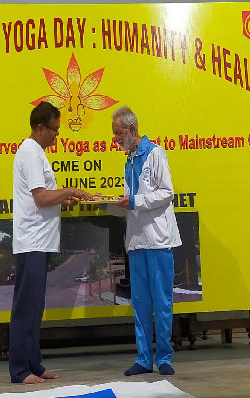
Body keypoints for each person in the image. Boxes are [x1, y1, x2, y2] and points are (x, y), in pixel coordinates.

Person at [9, 101, 93, 384]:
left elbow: (45, 197)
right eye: (54, 130)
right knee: (26, 308)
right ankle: (19, 369)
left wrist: (63, 200)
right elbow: (41, 197)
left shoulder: (38, 152)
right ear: (40, 127)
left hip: (41, 241)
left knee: (35, 308)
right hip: (32, 242)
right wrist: (69, 190)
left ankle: (34, 362)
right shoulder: (30, 152)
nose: (57, 135)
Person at [107, 106, 182, 376]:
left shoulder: (155, 153)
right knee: (140, 304)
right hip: (136, 241)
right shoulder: (128, 161)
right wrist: (108, 204)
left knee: (162, 303)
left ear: (132, 129)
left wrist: (134, 201)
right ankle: (142, 358)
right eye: (114, 134)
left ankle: (164, 357)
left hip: (158, 240)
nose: (115, 139)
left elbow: (166, 193)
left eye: (118, 133)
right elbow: (132, 202)